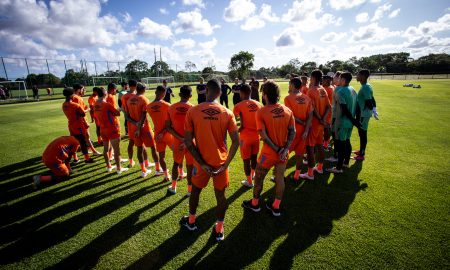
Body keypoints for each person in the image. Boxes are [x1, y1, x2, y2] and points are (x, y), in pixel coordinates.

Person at [180, 79, 239, 242]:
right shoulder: (227, 112)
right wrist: (225, 165)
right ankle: (219, 229)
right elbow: (236, 141)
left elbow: (188, 141)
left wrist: (202, 163)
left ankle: (191, 221)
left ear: (206, 90)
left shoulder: (193, 111)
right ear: (221, 93)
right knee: (221, 196)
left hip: (201, 162)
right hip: (220, 164)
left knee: (195, 191)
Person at [242, 81, 295, 217]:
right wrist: (285, 149)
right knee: (279, 179)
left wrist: (278, 150)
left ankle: (254, 204)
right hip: (284, 153)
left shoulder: (261, 112)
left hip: (269, 153)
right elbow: (292, 131)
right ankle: (275, 207)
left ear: (264, 95)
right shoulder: (287, 110)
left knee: (259, 178)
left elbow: (264, 137)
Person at [300, 70, 331, 180]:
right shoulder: (323, 89)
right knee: (319, 145)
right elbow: (329, 107)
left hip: (314, 124)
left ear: (313, 77)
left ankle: (310, 174)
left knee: (310, 147)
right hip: (321, 124)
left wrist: (319, 118)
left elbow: (312, 109)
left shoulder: (311, 91)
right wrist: (323, 119)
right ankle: (320, 168)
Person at [328, 72, 361, 173]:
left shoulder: (340, 91)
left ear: (342, 80)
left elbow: (344, 109)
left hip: (342, 122)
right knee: (347, 141)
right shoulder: (353, 89)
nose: (337, 80)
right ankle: (346, 162)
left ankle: (338, 168)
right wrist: (356, 120)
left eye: (339, 78)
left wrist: (354, 121)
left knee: (342, 145)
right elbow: (358, 106)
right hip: (350, 123)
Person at [125, 82, 160, 177]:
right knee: (153, 147)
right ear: (144, 89)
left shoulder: (129, 100)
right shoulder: (144, 99)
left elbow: (127, 117)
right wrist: (139, 128)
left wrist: (136, 125)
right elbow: (144, 115)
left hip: (133, 128)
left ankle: (143, 170)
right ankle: (157, 169)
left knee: (139, 148)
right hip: (144, 128)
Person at [166, 85, 194, 196]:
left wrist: (180, 139)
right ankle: (190, 191)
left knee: (176, 164)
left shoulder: (171, 107)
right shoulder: (193, 108)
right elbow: (196, 128)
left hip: (177, 142)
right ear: (191, 96)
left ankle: (173, 187)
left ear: (179, 94)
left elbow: (168, 127)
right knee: (190, 166)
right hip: (190, 143)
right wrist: (187, 141)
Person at [233, 84, 263, 187]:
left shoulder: (239, 105)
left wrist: (241, 124)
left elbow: (236, 115)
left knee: (246, 160)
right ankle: (253, 175)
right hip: (257, 137)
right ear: (250, 92)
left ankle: (249, 182)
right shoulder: (259, 104)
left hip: (245, 138)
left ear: (241, 93)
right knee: (254, 158)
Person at [284, 77, 313, 181]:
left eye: (289, 84)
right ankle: (296, 176)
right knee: (300, 155)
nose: (288, 85)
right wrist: (306, 129)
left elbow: (291, 115)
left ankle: (280, 176)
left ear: (292, 85)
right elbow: (310, 115)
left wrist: (302, 123)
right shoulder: (307, 98)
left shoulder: (288, 98)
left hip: (293, 131)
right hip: (304, 132)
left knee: (285, 153)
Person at [94, 87, 128, 174]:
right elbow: (117, 113)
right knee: (116, 150)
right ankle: (119, 168)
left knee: (106, 149)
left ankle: (108, 166)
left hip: (102, 129)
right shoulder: (107, 104)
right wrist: (119, 109)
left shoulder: (96, 104)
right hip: (112, 129)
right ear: (105, 94)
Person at [62, 87, 95, 164]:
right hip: (78, 125)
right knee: (82, 142)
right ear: (71, 95)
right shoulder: (75, 105)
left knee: (74, 142)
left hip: (71, 125)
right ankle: (87, 159)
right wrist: (88, 109)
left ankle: (75, 159)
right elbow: (83, 114)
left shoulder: (64, 105)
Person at [147, 86, 173, 180]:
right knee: (178, 153)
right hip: (168, 134)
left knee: (161, 157)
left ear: (155, 92)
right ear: (164, 94)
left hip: (157, 135)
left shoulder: (148, 107)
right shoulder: (167, 105)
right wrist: (164, 132)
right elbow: (171, 122)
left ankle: (166, 175)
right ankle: (181, 172)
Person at [72, 83, 101, 156]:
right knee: (86, 137)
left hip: (75, 121)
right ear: (79, 90)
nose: (84, 90)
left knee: (78, 138)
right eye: (83, 89)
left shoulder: (73, 97)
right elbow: (81, 112)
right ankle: (93, 151)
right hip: (81, 121)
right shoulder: (78, 98)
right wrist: (87, 110)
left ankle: (77, 155)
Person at [352, 69, 375, 161]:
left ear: (363, 76)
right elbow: (371, 98)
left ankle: (361, 154)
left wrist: (370, 110)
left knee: (363, 133)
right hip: (363, 114)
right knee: (361, 133)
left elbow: (369, 101)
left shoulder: (365, 87)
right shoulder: (366, 86)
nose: (356, 76)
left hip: (363, 114)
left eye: (358, 74)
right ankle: (361, 151)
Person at [325, 71, 342, 163]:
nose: (333, 78)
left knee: (337, 136)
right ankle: (339, 156)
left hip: (336, 116)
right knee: (337, 136)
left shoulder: (338, 89)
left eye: (335, 76)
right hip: (336, 115)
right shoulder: (338, 88)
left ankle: (337, 156)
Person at [322, 75, 334, 150]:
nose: (322, 82)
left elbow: (328, 103)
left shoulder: (329, 89)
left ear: (328, 81)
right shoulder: (326, 88)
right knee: (325, 127)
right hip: (326, 110)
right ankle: (326, 140)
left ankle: (326, 142)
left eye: (323, 80)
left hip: (328, 111)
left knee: (326, 127)